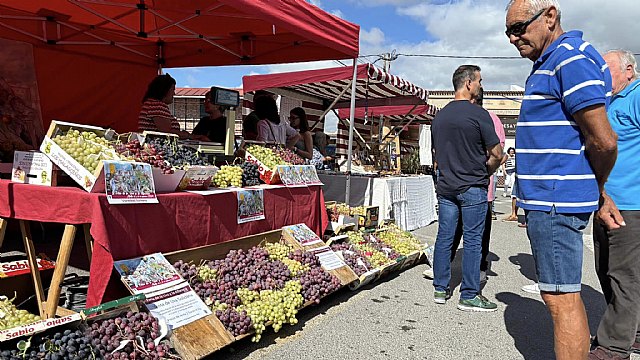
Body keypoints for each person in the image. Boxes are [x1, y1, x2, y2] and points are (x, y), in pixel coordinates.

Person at [505, 1, 620, 359]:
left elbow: (603, 140)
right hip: (551, 199)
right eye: (508, 31)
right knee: (562, 296)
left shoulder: (568, 58)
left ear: (549, 17)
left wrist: (597, 187)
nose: (512, 38)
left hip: (555, 201)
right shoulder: (553, 60)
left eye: (519, 28)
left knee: (562, 301)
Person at [431, 64, 503, 312]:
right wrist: (487, 171)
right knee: (472, 240)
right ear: (469, 83)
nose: (482, 86)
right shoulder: (479, 114)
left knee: (444, 236)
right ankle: (469, 294)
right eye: (480, 81)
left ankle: (440, 288)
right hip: (472, 185)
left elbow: (436, 155)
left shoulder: (439, 116)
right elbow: (497, 153)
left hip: (447, 186)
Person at [589, 49, 638, 360]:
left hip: (631, 205)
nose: (603, 78)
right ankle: (634, 333)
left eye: (609, 71)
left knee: (623, 275)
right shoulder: (609, 100)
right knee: (605, 270)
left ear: (629, 70)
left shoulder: (636, 96)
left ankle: (613, 346)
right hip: (604, 200)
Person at [445, 88, 506, 284]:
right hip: (460, 183)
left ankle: (480, 267)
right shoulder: (458, 116)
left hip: (479, 186)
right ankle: (445, 265)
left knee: (479, 231)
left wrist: (483, 172)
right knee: (454, 228)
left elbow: (498, 153)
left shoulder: (492, 119)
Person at [138, 74, 205, 140]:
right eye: (172, 89)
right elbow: (167, 132)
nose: (174, 93)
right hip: (157, 146)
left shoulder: (150, 103)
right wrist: (188, 136)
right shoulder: (157, 106)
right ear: (165, 90)